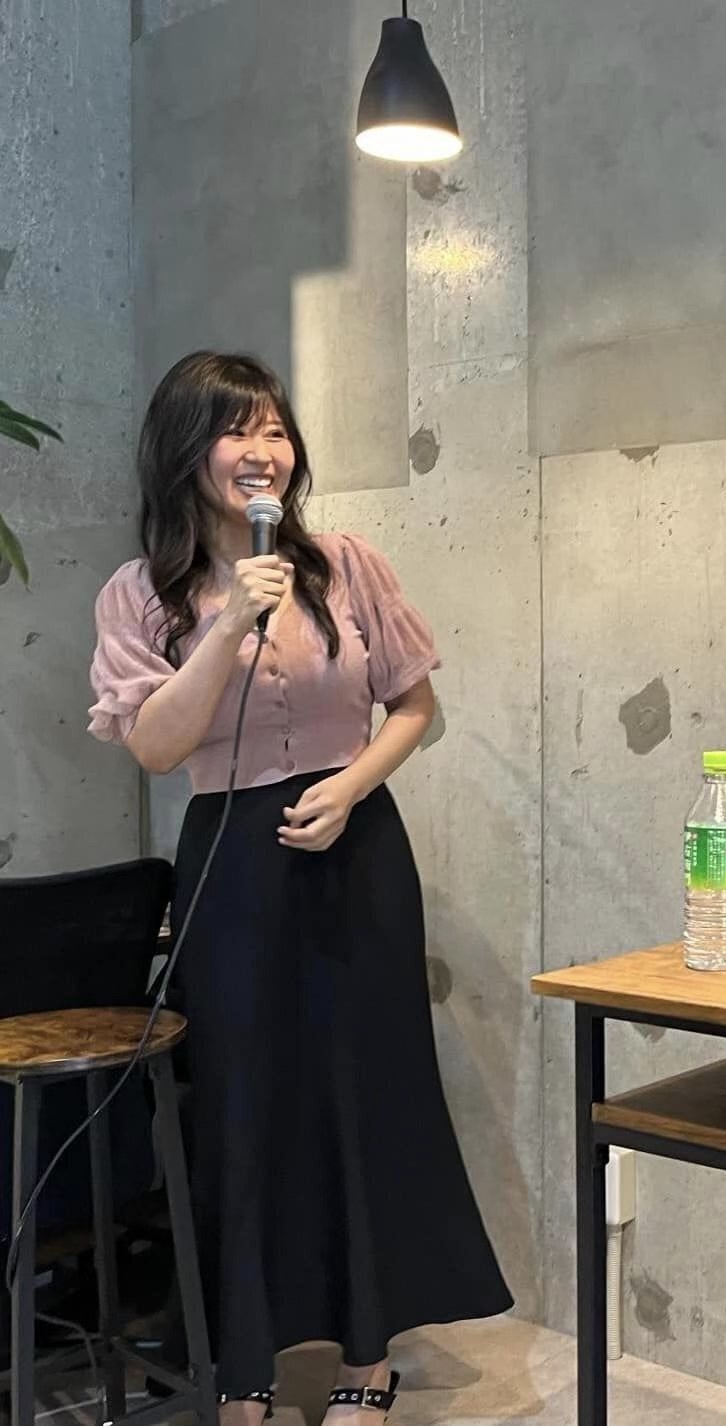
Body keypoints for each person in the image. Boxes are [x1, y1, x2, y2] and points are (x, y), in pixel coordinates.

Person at [88, 352, 512, 1425]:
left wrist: (351, 785)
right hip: (232, 865)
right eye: (238, 430)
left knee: (368, 1093)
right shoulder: (139, 593)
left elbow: (415, 708)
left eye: (275, 429)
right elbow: (155, 746)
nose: (263, 451)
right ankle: (247, 1362)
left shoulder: (345, 565)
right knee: (245, 1105)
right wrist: (230, 619)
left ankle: (370, 1359)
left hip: (358, 856)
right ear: (187, 450)